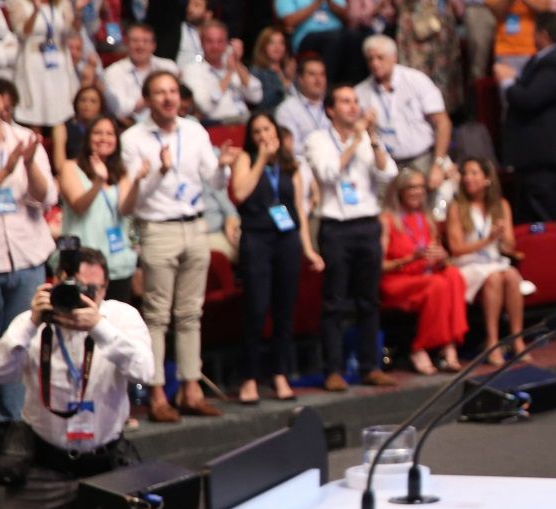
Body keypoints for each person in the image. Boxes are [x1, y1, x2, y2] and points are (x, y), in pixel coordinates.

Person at [0, 248, 154, 509]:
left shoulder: (121, 318)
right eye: (74, 288)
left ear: (105, 289)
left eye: (90, 290)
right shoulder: (33, 321)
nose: (81, 297)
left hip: (105, 462)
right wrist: (30, 323)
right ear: (56, 284)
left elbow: (145, 372)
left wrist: (99, 328)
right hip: (45, 464)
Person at [120, 70, 238, 422]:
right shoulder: (133, 139)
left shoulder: (195, 131)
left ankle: (191, 389)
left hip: (195, 226)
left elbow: (212, 179)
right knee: (157, 316)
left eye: (172, 91)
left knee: (190, 314)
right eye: (160, 92)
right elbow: (132, 198)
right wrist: (158, 172)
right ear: (149, 99)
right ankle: (157, 394)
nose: (169, 98)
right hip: (157, 229)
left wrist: (224, 168)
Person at [304, 84, 398, 392]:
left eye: (355, 101)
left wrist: (372, 140)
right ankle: (334, 369)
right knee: (335, 302)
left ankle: (370, 366)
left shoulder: (367, 140)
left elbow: (389, 173)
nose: (353, 106)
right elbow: (329, 173)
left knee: (369, 300)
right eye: (345, 101)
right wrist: (358, 138)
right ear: (330, 110)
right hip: (336, 228)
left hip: (367, 225)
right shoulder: (318, 140)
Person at [229, 112, 322, 404]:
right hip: (257, 240)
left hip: (287, 240)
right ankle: (250, 377)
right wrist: (260, 159)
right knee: (256, 309)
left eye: (266, 129)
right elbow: (240, 192)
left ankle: (280, 373)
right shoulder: (245, 159)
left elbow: (298, 210)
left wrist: (308, 249)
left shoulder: (289, 165)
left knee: (284, 310)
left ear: (277, 133)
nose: (262, 136)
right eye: (256, 132)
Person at [0, 105, 58, 427]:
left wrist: (30, 161)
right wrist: (5, 171)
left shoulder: (25, 138)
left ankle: (18, 431)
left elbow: (46, 197)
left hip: (27, 258)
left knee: (23, 343)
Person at [493, 13, 556, 224]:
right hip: (536, 160)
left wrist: (507, 82)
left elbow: (529, 99)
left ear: (544, 34)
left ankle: (554, 256)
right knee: (533, 220)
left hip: (547, 161)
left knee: (547, 219)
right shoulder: (546, 59)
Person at [379, 168, 466, 375]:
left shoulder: (426, 218)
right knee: (437, 284)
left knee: (453, 275)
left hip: (423, 276)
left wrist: (442, 257)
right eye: (411, 187)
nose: (417, 191)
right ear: (400, 191)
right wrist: (410, 259)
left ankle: (449, 346)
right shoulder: (387, 219)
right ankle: (420, 348)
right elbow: (379, 265)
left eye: (420, 187)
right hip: (396, 280)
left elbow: (436, 257)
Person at [446, 157, 525, 366]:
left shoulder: (501, 205)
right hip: (467, 265)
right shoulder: (457, 207)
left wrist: (502, 236)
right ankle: (492, 342)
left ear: (487, 178)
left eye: (474, 173)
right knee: (495, 278)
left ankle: (517, 339)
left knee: (512, 275)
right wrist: (487, 240)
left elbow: (510, 247)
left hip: (494, 261)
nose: (468, 178)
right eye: (466, 173)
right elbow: (456, 249)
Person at [58, 116, 141, 303]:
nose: (104, 138)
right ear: (88, 138)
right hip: (82, 263)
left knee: (116, 322)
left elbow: (125, 209)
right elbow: (79, 206)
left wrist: (136, 183)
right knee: (79, 322)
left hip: (117, 262)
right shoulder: (70, 167)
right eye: (97, 133)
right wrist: (98, 182)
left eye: (110, 134)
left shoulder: (121, 171)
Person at [355, 35, 452, 175]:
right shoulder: (360, 92)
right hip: (388, 165)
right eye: (370, 59)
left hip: (424, 159)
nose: (375, 63)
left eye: (380, 58)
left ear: (394, 57)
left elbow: (442, 122)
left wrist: (438, 164)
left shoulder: (417, 81)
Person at [396, 0, 465, 115]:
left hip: (442, 26)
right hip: (416, 27)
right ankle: (418, 115)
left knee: (442, 72)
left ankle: (444, 116)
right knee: (419, 73)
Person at [274, 0, 366, 85]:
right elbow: (289, 21)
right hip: (307, 37)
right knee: (333, 38)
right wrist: (318, 2)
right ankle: (326, 86)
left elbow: (347, 15)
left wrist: (330, 3)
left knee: (355, 35)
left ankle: (353, 85)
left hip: (337, 32)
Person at [10, 0, 80, 131]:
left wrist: (77, 12)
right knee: (37, 110)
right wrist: (35, 10)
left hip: (58, 57)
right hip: (33, 59)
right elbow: (21, 33)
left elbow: (70, 31)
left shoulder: (61, 1)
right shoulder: (20, 2)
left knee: (59, 109)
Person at [181, 21, 263, 123]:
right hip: (217, 125)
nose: (215, 47)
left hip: (245, 121)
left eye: (220, 41)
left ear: (226, 43)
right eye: (209, 41)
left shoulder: (233, 65)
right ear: (201, 43)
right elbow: (206, 106)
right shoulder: (192, 70)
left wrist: (237, 63)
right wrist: (228, 74)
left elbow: (256, 96)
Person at [103, 23, 180, 124]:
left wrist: (142, 103)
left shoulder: (169, 67)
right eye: (135, 41)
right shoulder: (113, 72)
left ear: (154, 45)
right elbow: (119, 109)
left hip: (167, 120)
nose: (140, 46)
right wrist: (152, 99)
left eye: (145, 41)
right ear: (127, 43)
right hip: (129, 125)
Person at [274, 56, 329, 155]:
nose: (318, 79)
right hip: (302, 163)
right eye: (312, 74)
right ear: (300, 79)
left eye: (322, 74)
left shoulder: (333, 105)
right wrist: (320, 151)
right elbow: (290, 146)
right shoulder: (286, 109)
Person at [248, 26, 294, 115]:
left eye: (281, 43)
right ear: (263, 47)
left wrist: (291, 79)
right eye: (272, 43)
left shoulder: (288, 71)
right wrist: (283, 87)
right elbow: (261, 103)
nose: (277, 47)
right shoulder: (257, 72)